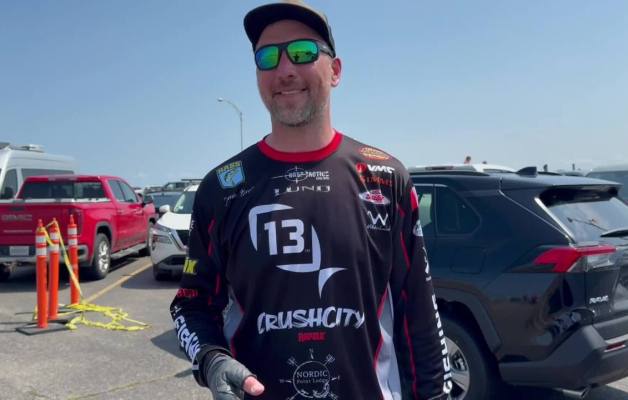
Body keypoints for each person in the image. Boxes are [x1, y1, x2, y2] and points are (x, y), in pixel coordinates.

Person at [170, 1, 452, 399]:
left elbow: (420, 317)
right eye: (268, 58)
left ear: (335, 71)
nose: (284, 69)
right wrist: (211, 359)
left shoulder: (386, 178)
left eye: (302, 53)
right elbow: (191, 305)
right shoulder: (221, 189)